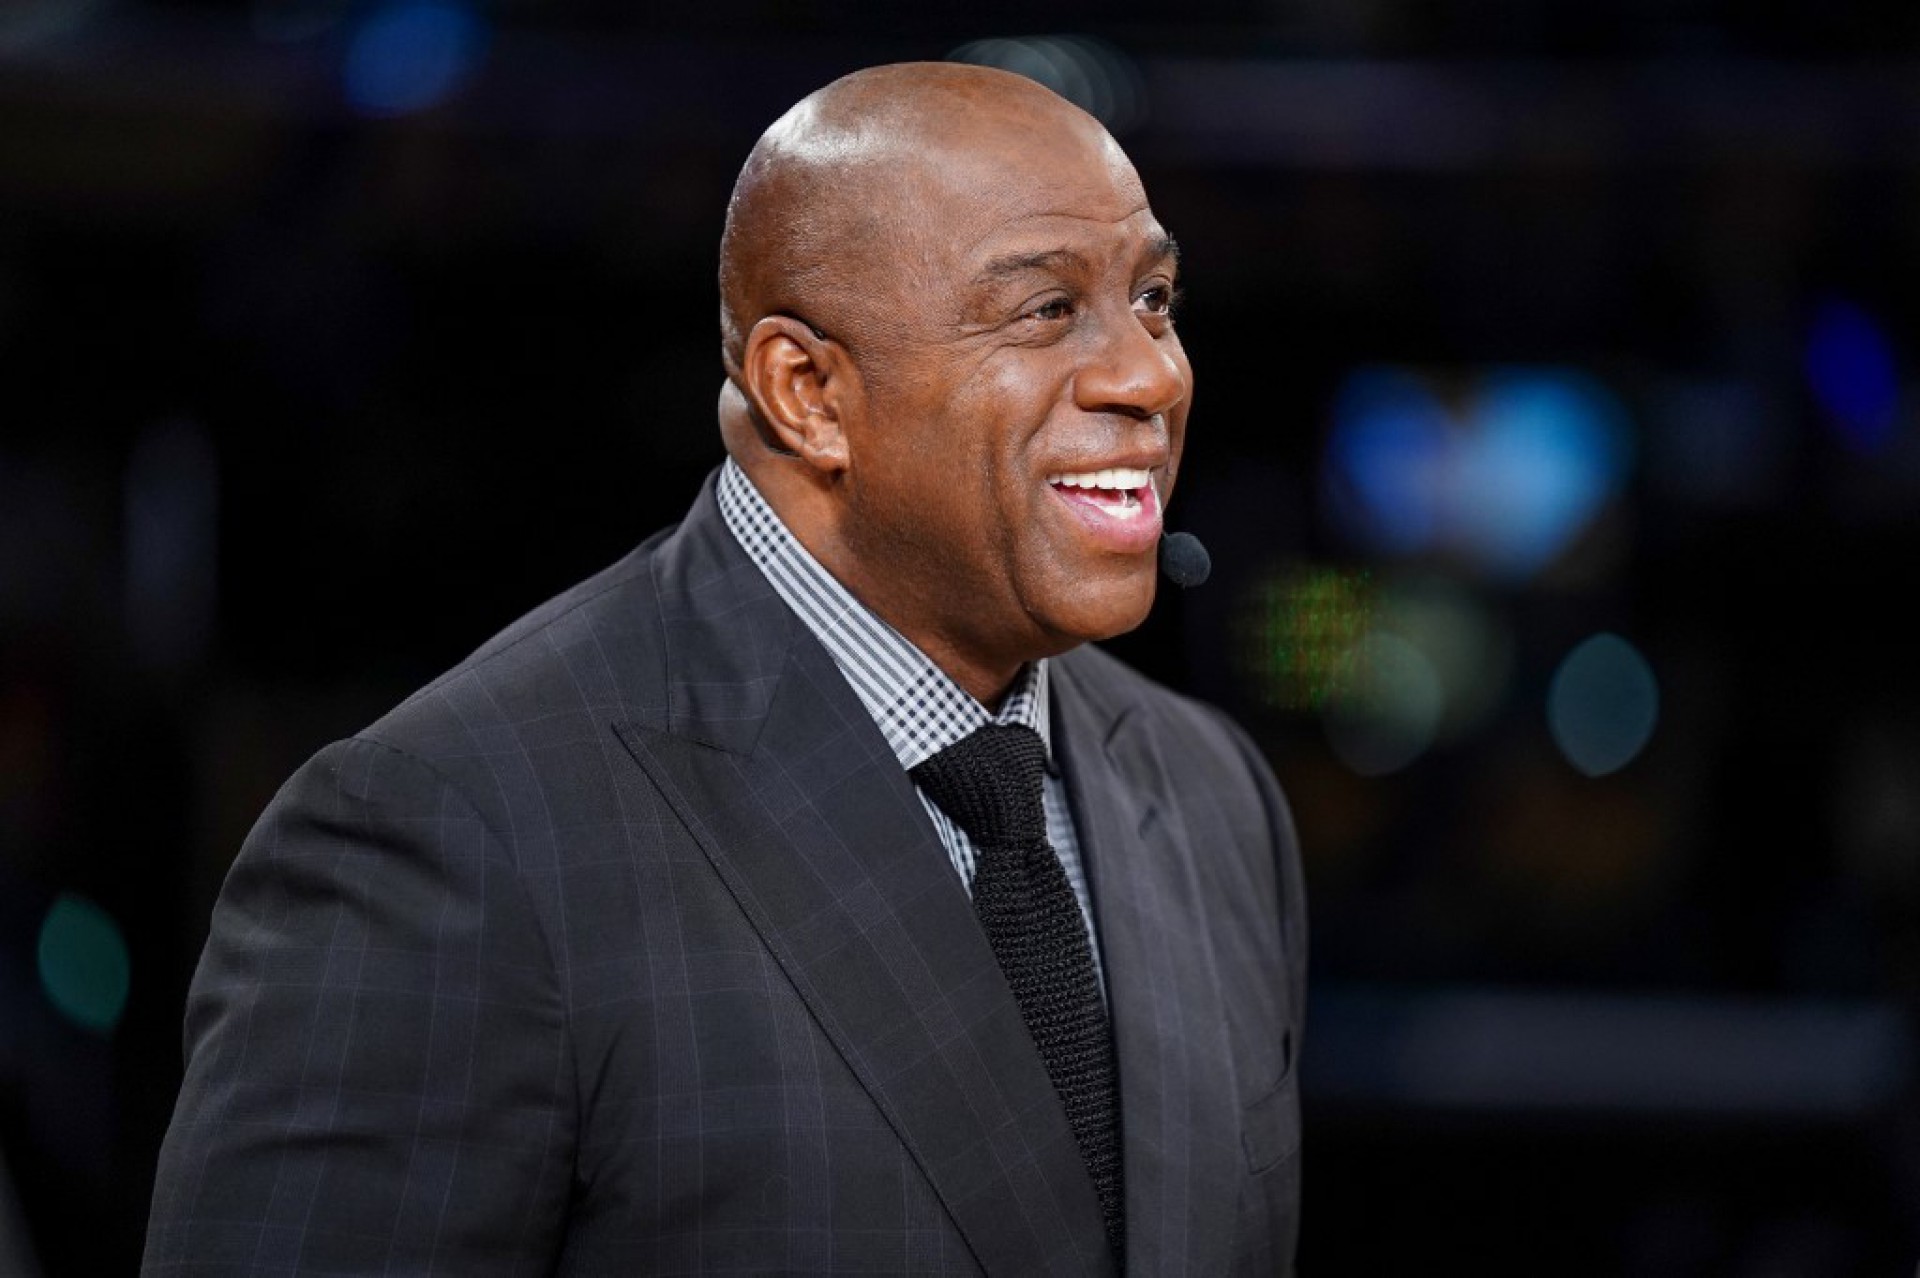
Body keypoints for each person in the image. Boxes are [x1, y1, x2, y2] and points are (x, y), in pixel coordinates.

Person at [144, 61, 1306, 1276]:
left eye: (1155, 297)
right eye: (1045, 310)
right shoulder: (454, 833)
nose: (1150, 376)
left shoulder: (1213, 795)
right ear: (806, 393)